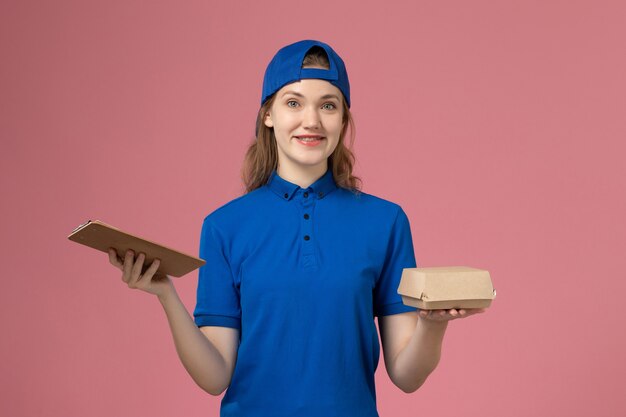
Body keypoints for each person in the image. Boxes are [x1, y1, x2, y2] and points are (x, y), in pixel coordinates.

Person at [108, 39, 485, 417]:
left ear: (343, 119)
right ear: (268, 115)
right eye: (293, 103)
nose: (312, 121)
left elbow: (406, 375)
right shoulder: (224, 226)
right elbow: (215, 375)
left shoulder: (386, 222)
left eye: (328, 105)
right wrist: (166, 295)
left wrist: (434, 325)